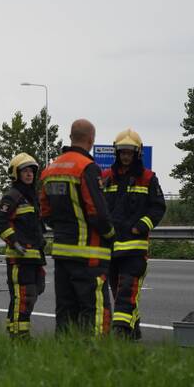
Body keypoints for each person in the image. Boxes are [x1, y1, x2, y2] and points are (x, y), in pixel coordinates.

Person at [39, 118, 115, 335]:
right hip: (89, 254)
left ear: (71, 137)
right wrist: (110, 235)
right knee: (96, 310)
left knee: (65, 311)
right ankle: (96, 357)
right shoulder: (87, 168)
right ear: (91, 139)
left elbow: (45, 211)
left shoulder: (50, 169)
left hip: (62, 253)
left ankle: (65, 356)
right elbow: (97, 212)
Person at [101, 128, 166, 339]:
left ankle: (121, 332)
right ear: (117, 153)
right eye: (122, 153)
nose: (125, 156)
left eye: (129, 153)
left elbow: (158, 208)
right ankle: (133, 330)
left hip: (135, 249)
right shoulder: (106, 178)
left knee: (127, 291)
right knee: (119, 292)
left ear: (137, 154)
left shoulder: (148, 178)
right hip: (110, 249)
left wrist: (141, 226)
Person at [0, 153, 46, 338]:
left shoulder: (31, 197)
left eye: (31, 171)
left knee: (32, 294)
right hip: (19, 258)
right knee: (23, 297)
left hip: (34, 257)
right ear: (16, 174)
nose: (29, 174)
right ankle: (19, 336)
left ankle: (15, 330)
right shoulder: (13, 196)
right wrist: (14, 241)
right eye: (25, 171)